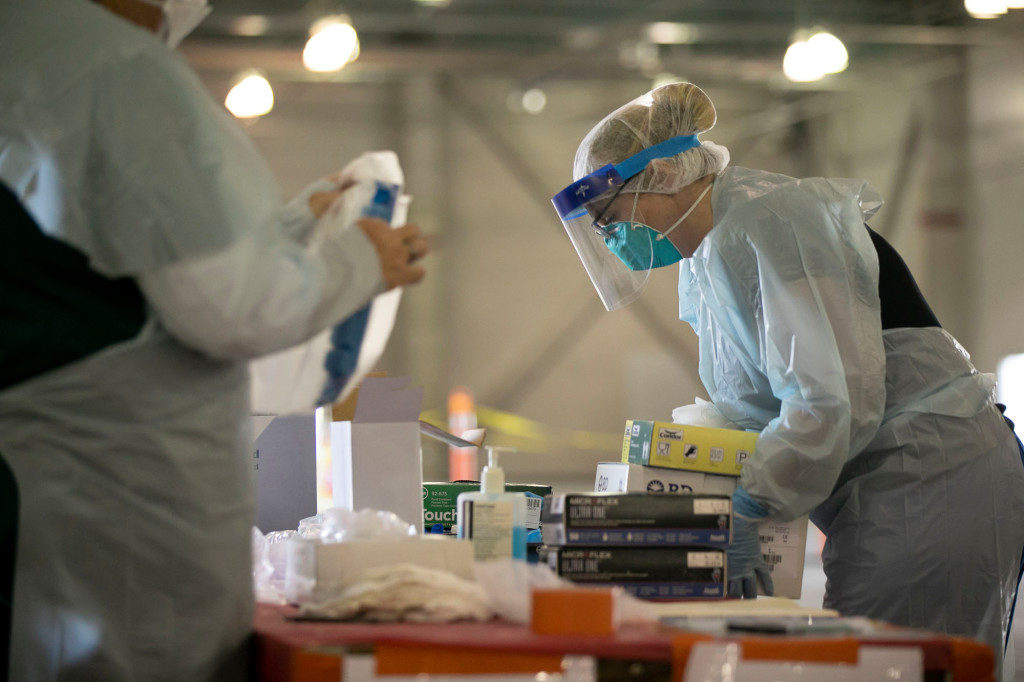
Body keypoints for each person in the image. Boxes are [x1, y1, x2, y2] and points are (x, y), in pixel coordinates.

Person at [0, 0, 428, 679]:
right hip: (127, 524)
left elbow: (142, 279)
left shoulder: (29, 50)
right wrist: (359, 262)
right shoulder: (116, 70)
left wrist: (290, 234)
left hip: (58, 503)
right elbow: (231, 310)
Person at [552, 82, 1024, 671]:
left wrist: (750, 504)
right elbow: (757, 403)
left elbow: (829, 398)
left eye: (612, 218)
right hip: (883, 482)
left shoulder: (771, 222)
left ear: (664, 174)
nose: (613, 238)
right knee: (867, 659)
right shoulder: (713, 251)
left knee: (895, 662)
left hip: (929, 474)